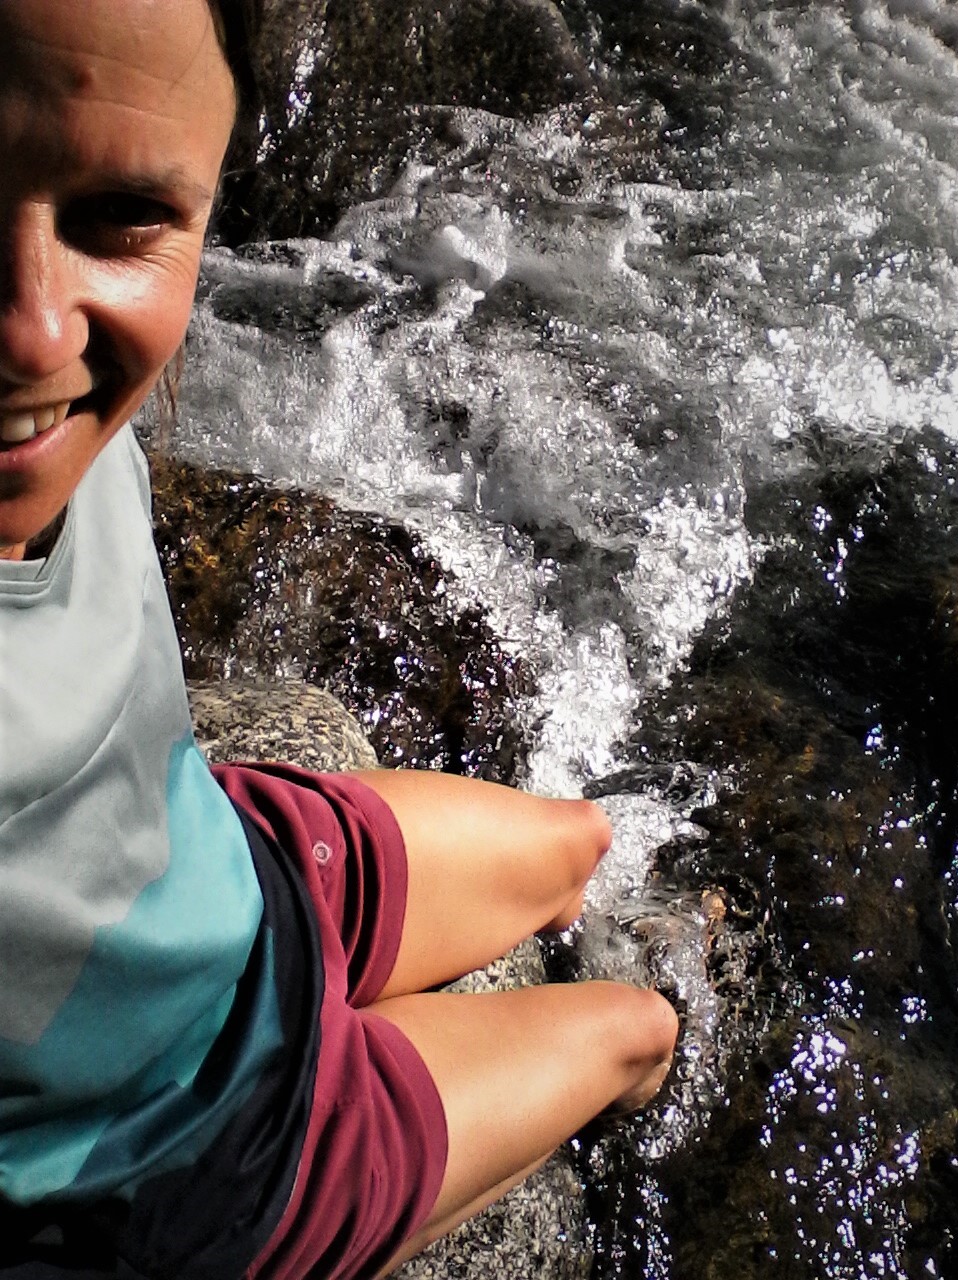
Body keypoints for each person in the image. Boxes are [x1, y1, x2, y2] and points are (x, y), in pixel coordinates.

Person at [0, 1, 680, 1278]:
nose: (36, 328)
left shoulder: (62, 410)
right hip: (189, 1145)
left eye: (125, 216)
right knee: (635, 1024)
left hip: (218, 869)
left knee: (579, 838)